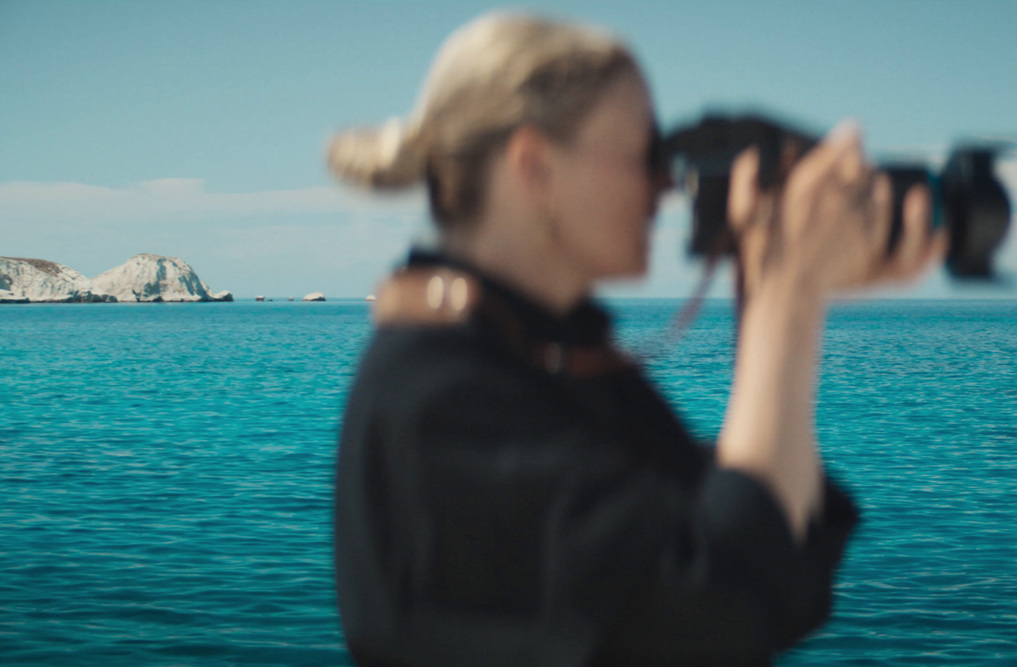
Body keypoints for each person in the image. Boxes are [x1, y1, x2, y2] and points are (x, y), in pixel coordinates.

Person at [326, 12, 945, 667]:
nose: (666, 184)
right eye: (644, 153)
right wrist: (785, 298)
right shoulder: (437, 395)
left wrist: (786, 287)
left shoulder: (545, 362)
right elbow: (714, 610)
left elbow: (783, 577)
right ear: (534, 167)